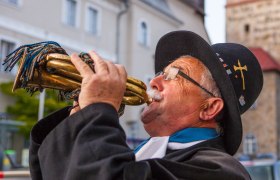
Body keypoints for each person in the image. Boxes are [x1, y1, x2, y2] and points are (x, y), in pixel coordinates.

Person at [29, 31, 263, 180]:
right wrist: (76, 123)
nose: (154, 81)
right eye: (161, 72)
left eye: (174, 75)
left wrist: (96, 113)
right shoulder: (143, 151)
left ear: (209, 108)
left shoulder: (222, 172)